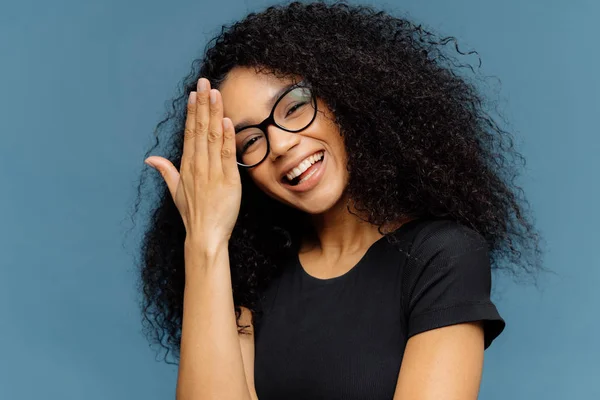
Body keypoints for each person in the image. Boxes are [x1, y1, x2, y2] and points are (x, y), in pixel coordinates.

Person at [136, 2, 545, 399]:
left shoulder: (442, 256)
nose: (278, 144)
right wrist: (205, 240)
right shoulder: (250, 278)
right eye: (249, 141)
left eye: (294, 107)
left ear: (348, 97)